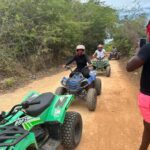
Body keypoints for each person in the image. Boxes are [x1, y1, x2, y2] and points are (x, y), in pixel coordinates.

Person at [126, 43, 150, 150]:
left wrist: (139, 52)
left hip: (148, 96)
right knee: (148, 127)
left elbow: (129, 67)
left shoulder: (148, 47)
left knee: (148, 126)